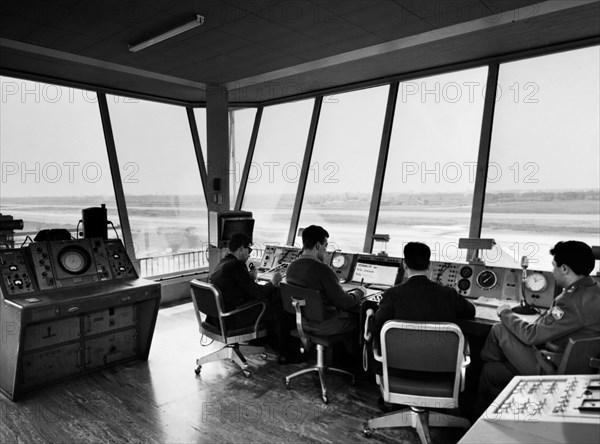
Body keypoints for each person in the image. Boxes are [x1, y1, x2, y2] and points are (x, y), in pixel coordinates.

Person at [475, 240, 600, 417]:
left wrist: (505, 312)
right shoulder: (594, 290)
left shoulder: (570, 301)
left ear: (564, 269)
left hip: (555, 372)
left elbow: (532, 336)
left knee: (498, 329)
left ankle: (479, 373)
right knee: (490, 371)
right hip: (581, 370)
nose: (552, 271)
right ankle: (486, 420)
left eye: (554, 265)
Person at [369, 241, 476, 349]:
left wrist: (370, 313)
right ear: (429, 265)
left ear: (404, 265)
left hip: (400, 360)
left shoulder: (391, 294)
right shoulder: (449, 293)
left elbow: (376, 326)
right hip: (439, 361)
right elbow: (471, 311)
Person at [209, 233, 286, 357]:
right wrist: (273, 282)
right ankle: (281, 350)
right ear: (241, 249)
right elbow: (258, 293)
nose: (250, 253)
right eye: (249, 249)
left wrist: (249, 278)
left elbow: (234, 286)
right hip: (232, 319)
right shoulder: (237, 265)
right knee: (276, 301)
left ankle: (266, 343)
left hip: (217, 318)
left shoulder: (223, 262)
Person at [285, 225, 366, 336]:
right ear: (318, 245)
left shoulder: (291, 267)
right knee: (359, 320)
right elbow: (344, 302)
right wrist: (360, 292)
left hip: (302, 322)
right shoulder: (323, 270)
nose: (325, 251)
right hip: (325, 326)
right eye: (325, 246)